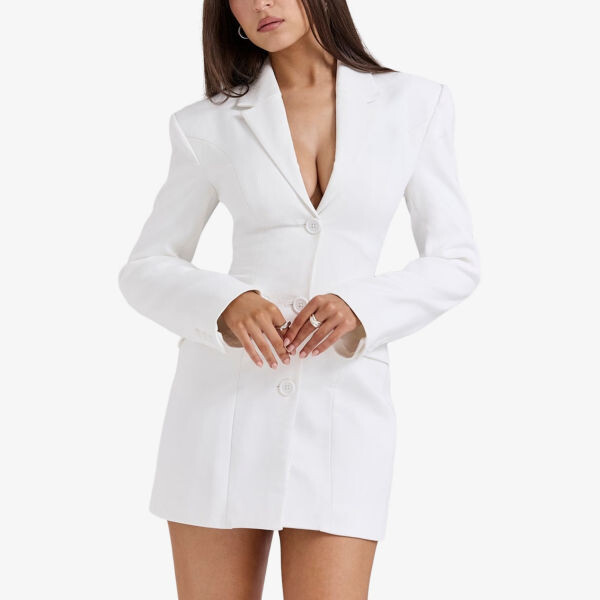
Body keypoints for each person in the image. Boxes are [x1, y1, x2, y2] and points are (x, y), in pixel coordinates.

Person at [118, 0, 481, 597]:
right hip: (222, 406)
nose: (260, 3)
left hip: (343, 405)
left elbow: (456, 260)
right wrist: (225, 303)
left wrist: (364, 306)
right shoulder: (205, 123)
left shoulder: (415, 104)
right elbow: (145, 266)